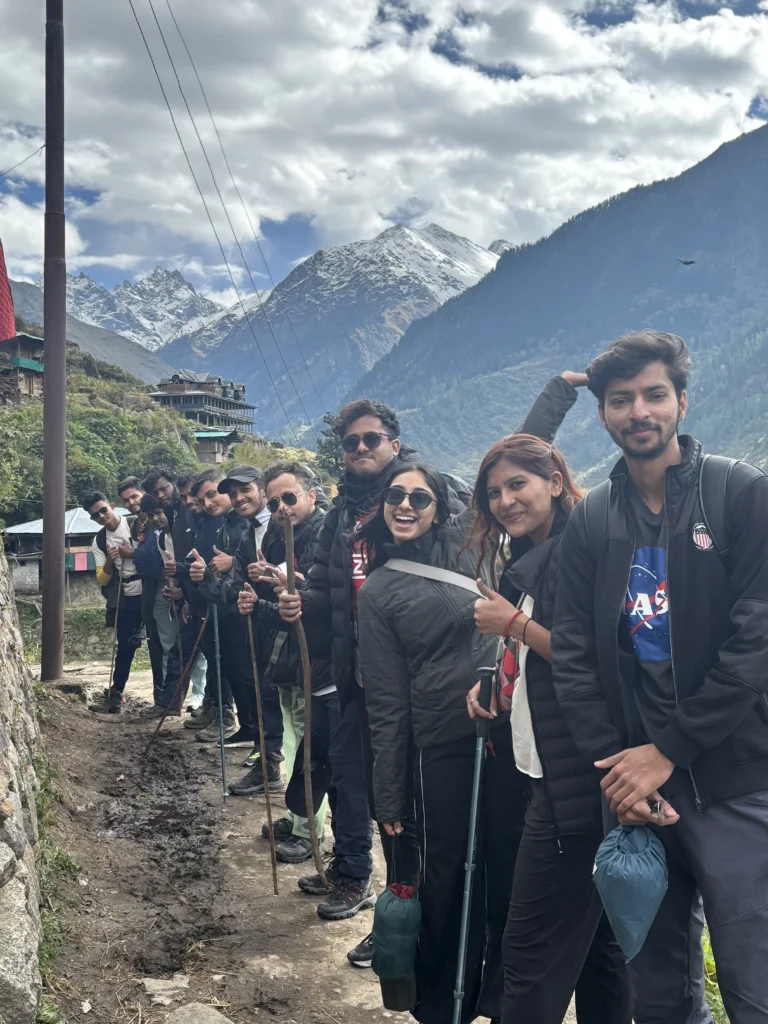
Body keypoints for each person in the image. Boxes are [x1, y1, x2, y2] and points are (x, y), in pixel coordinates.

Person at [551, 331, 768, 1024]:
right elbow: (573, 656)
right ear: (603, 414)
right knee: (658, 991)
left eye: (653, 395)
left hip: (737, 780)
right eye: (621, 400)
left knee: (755, 984)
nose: (638, 412)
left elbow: (756, 641)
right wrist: (619, 769)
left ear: (681, 401)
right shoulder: (592, 521)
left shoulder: (737, 494)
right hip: (638, 791)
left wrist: (670, 748)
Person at [465, 414, 630, 1024]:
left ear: (555, 481)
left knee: (529, 949)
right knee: (600, 944)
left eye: (518, 485)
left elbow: (598, 655)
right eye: (494, 493)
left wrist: (513, 624)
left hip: (572, 782)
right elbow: (540, 650)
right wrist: (497, 677)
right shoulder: (536, 553)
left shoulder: (576, 550)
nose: (505, 501)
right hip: (568, 770)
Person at [355, 461, 520, 1024]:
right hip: (440, 747)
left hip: (503, 736)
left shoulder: (471, 544)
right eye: (395, 495)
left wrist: (559, 400)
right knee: (445, 877)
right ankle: (443, 1006)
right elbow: (386, 702)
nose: (405, 505)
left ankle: (502, 999)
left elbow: (523, 452)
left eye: (419, 497)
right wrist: (389, 795)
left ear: (440, 505)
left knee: (505, 867)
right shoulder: (380, 589)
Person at [235, 461, 330, 864]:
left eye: (289, 498)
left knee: (311, 745)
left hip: (317, 656)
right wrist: (257, 602)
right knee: (293, 738)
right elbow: (283, 606)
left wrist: (291, 587)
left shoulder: (324, 535)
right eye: (274, 503)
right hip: (286, 652)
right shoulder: (278, 534)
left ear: (311, 495)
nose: (281, 509)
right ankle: (295, 816)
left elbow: (318, 601)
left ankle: (311, 828)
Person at [83, 491, 142, 713]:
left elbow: (155, 554)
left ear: (112, 506)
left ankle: (165, 699)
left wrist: (130, 553)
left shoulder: (136, 524)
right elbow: (102, 578)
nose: (101, 516)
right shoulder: (99, 540)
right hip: (126, 597)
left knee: (162, 645)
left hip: (151, 591)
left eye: (103, 510)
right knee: (125, 647)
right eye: (95, 515)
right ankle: (116, 695)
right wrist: (110, 559)